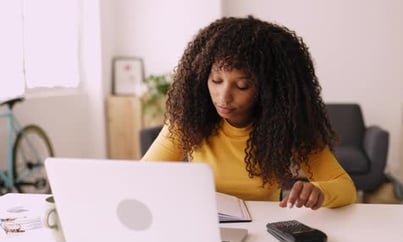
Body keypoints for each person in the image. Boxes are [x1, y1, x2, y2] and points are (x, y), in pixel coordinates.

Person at [142, 16, 357, 210]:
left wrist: (319, 192)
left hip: (263, 233)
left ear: (269, 89)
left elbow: (345, 187)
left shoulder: (287, 126)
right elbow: (143, 177)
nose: (223, 97)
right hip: (204, 227)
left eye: (242, 86)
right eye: (216, 81)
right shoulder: (188, 120)